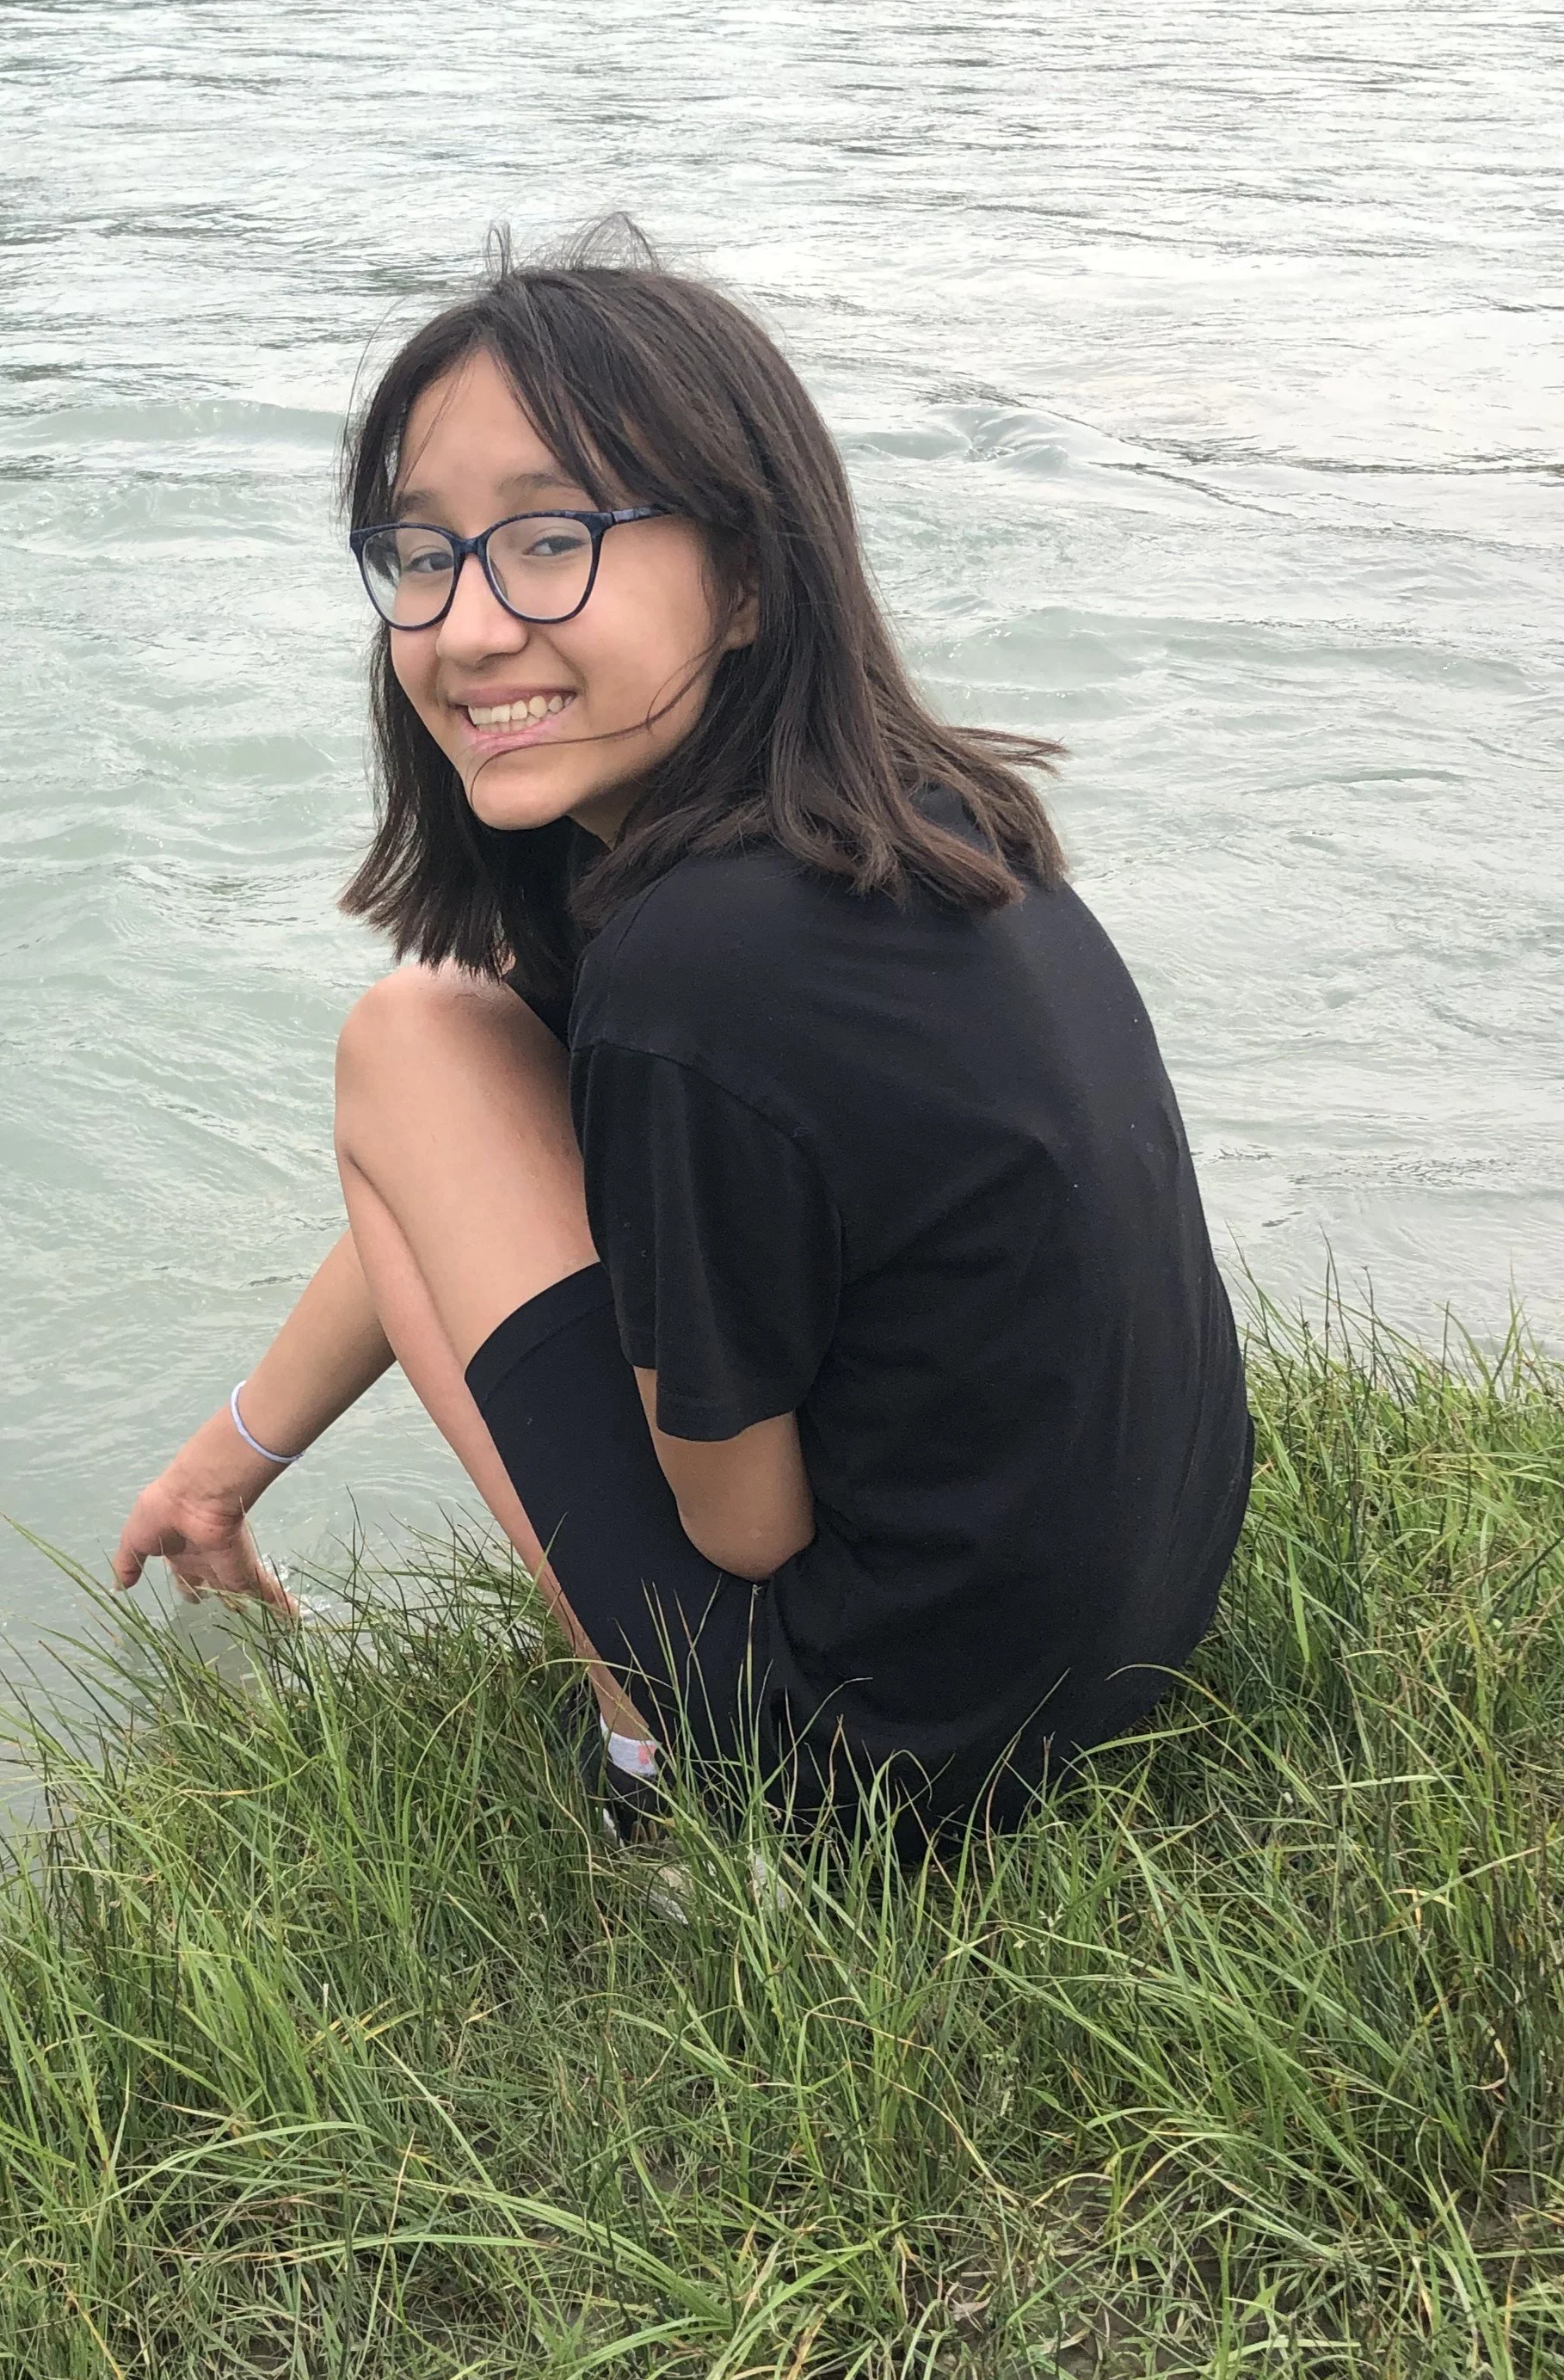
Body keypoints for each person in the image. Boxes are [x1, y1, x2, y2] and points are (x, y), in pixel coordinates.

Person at [112, 224, 1253, 1847]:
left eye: (551, 537)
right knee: (452, 1048)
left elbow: (744, 1525)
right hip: (1130, 1646)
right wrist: (228, 1462)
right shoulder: (904, 831)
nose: (470, 626)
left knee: (411, 1035)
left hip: (889, 1774)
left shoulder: (699, 973)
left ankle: (655, 1766)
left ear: (746, 577)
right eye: (422, 556)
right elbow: (451, 1179)